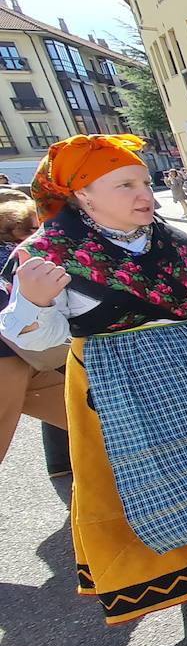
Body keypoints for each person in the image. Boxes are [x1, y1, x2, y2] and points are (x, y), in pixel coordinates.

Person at [0, 134, 187, 632]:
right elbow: (42, 343)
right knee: (161, 481)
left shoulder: (170, 239)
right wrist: (34, 302)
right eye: (126, 185)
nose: (146, 195)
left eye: (145, 183)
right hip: (117, 383)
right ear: (83, 194)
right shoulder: (47, 253)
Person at [0, 188, 68, 465]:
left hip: (27, 360)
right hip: (10, 358)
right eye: (33, 227)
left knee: (95, 424)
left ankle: (96, 503)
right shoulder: (25, 256)